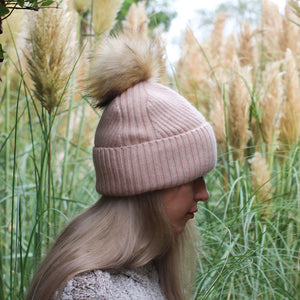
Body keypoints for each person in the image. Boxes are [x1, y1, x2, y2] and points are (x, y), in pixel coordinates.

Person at [26, 33, 217, 300]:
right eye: (192, 178)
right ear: (146, 185)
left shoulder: (148, 265)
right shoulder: (93, 293)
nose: (204, 193)